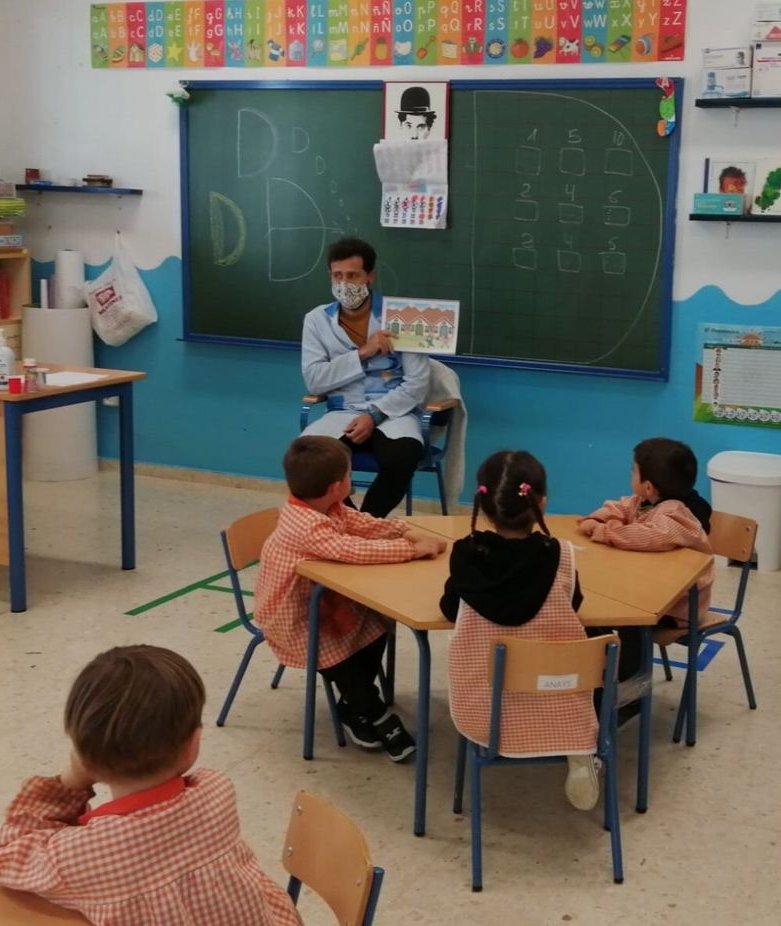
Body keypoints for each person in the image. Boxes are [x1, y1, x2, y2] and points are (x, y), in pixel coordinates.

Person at [0, 645, 301, 926]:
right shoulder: (217, 792)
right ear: (193, 746)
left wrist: (70, 783)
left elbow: (6, 858)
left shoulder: (79, 857)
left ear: (85, 759)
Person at [254, 436, 446, 761]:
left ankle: (352, 709)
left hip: (325, 605)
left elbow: (362, 525)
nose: (351, 478)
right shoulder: (305, 524)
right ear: (335, 486)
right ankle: (376, 713)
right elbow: (353, 550)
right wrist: (411, 550)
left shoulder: (329, 506)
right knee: (340, 660)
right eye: (349, 474)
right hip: (292, 618)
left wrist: (402, 531)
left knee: (378, 626)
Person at [441, 450, 602, 811]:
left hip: (485, 709)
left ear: (483, 507)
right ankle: (579, 752)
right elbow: (572, 606)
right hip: (558, 702)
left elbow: (451, 609)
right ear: (541, 503)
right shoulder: (560, 555)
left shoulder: (465, 554)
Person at [301, 237, 432, 517]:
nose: (344, 283)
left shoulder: (404, 316)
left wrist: (374, 416)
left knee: (403, 456)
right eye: (338, 275)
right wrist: (365, 352)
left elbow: (418, 383)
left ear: (370, 276)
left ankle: (368, 523)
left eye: (353, 275)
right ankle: (349, 521)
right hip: (343, 412)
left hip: (393, 413)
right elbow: (315, 380)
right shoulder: (316, 320)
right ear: (330, 276)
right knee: (307, 459)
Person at [579, 437, 714, 628]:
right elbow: (620, 508)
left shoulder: (676, 514)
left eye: (633, 471)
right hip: (650, 591)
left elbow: (647, 535)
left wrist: (604, 531)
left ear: (648, 486)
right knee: (595, 612)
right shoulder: (645, 500)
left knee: (624, 622)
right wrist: (596, 519)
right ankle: (602, 655)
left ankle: (624, 658)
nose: (630, 473)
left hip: (677, 607)